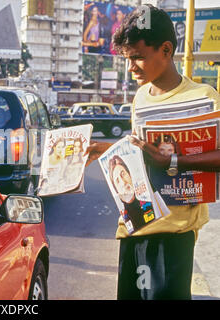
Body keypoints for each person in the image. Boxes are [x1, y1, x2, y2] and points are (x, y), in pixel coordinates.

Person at [85, 4, 220, 300]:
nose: (130, 67)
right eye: (126, 59)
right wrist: (104, 149)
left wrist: (173, 160)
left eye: (137, 58)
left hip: (173, 236)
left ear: (167, 50)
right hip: (134, 227)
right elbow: (140, 151)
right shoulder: (141, 97)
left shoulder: (204, 97)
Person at [108, 155, 148, 232]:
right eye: (117, 181)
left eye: (123, 174)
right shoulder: (125, 221)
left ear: (130, 175)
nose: (123, 182)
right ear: (117, 190)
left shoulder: (149, 205)